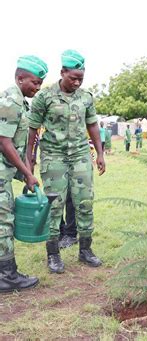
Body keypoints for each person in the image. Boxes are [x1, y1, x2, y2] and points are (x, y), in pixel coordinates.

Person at [27, 49, 105, 274]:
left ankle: (85, 250)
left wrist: (99, 154)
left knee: (85, 202)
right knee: (54, 205)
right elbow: (33, 129)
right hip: (53, 155)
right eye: (73, 78)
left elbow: (92, 125)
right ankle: (53, 255)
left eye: (81, 78)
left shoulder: (86, 97)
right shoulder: (45, 96)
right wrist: (30, 158)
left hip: (80, 154)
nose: (77, 82)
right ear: (62, 73)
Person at [0, 55, 47, 292]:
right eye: (35, 83)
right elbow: (4, 142)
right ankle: (7, 277)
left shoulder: (19, 100)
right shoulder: (11, 101)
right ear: (20, 78)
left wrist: (27, 170)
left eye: (40, 84)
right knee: (4, 221)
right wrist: (27, 174)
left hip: (4, 172)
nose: (37, 88)